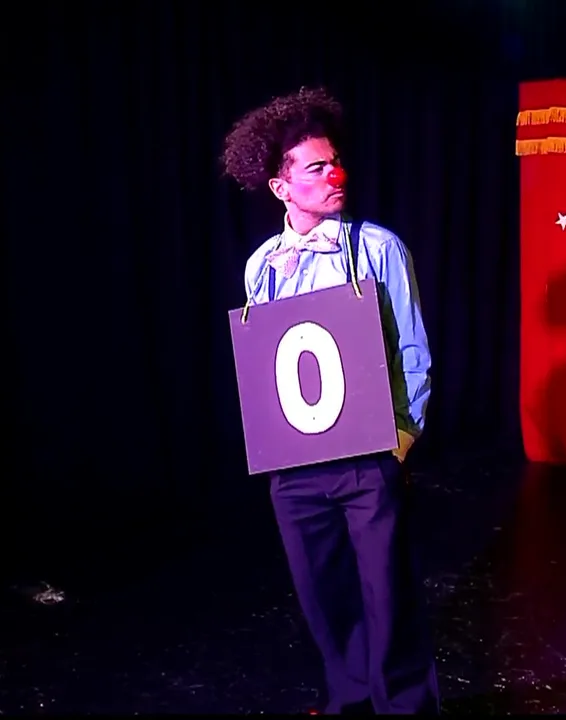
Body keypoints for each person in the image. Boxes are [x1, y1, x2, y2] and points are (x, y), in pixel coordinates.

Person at [220, 87, 438, 715]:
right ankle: (351, 701)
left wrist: (401, 440)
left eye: (336, 162)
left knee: (388, 595)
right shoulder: (262, 266)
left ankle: (405, 708)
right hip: (296, 469)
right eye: (316, 167)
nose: (335, 174)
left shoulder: (378, 247)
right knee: (325, 596)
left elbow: (412, 348)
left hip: (368, 458)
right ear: (281, 187)